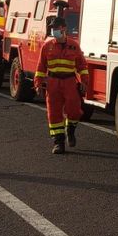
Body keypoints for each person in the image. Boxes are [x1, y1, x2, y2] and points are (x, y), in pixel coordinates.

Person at [34, 17, 89, 154]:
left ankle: (70, 130)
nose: (54, 30)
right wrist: (38, 83)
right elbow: (41, 67)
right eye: (52, 28)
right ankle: (58, 142)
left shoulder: (74, 45)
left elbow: (82, 66)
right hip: (53, 83)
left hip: (70, 82)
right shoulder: (47, 46)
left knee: (75, 110)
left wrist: (84, 82)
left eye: (56, 28)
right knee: (54, 113)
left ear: (64, 28)